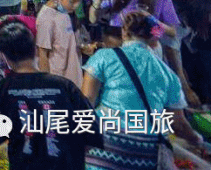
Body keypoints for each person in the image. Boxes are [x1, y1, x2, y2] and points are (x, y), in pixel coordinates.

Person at [83, 11, 208, 168]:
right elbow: (179, 125)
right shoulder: (167, 74)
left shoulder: (103, 57)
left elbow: (86, 101)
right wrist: (197, 140)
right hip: (144, 155)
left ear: (124, 32)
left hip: (103, 150)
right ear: (154, 40)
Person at [0, 20, 99, 170]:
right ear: (34, 49)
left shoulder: (1, 90)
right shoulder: (65, 86)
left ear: (3, 56)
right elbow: (91, 137)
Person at [34, 0, 88, 86]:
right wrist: (47, 85)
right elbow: (42, 53)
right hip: (59, 80)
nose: (76, 6)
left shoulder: (67, 12)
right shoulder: (46, 17)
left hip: (74, 78)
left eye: (79, 1)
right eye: (72, 1)